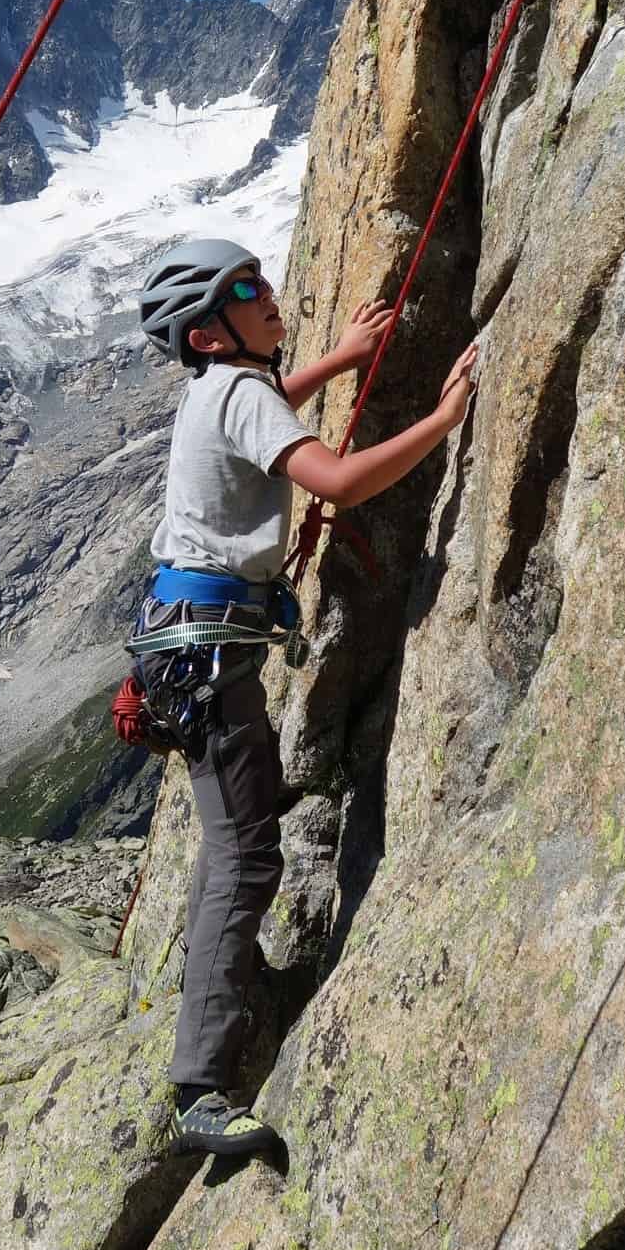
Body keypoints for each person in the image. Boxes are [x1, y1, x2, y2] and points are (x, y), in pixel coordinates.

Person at [135, 236, 477, 1160]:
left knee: (231, 842)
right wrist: (444, 419)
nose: (268, 293)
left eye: (259, 279)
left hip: (190, 648)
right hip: (211, 658)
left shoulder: (219, 389)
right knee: (247, 856)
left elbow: (267, 408)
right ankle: (201, 1088)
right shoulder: (239, 390)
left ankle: (214, 986)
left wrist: (340, 361)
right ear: (208, 334)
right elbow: (340, 480)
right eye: (245, 289)